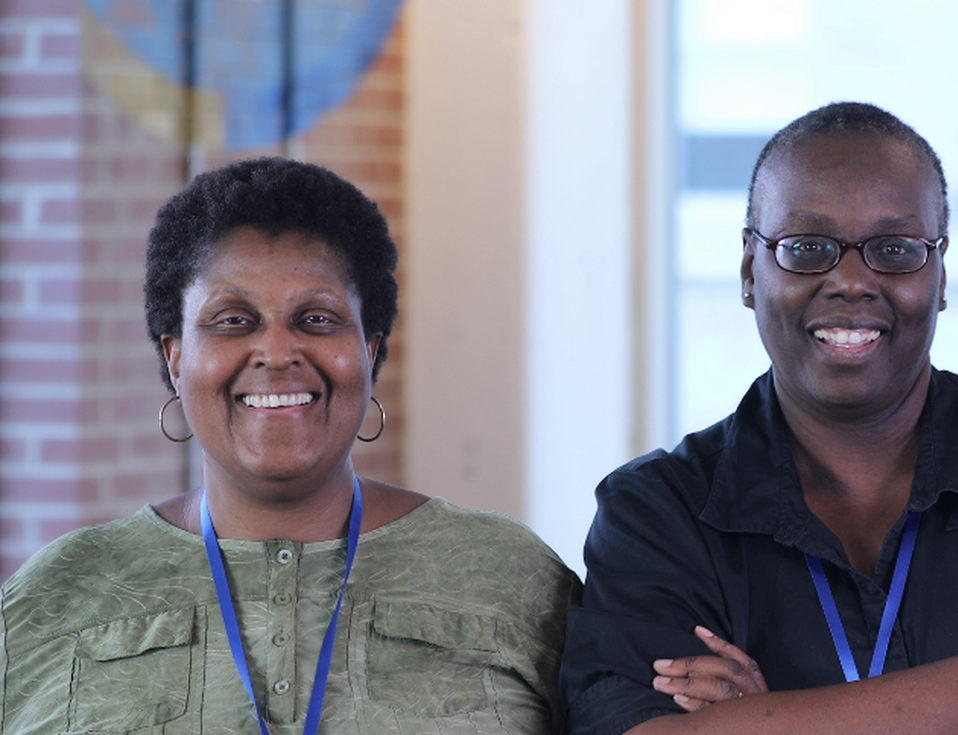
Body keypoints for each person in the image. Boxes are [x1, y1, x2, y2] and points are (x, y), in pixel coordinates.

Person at [559, 102, 958, 734]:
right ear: (751, 269)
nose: (852, 282)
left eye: (895, 248)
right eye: (806, 247)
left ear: (940, 273)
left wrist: (770, 722)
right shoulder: (657, 511)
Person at [0, 157, 580, 734]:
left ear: (371, 351)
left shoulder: (512, 579)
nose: (277, 353)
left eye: (318, 319)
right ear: (175, 357)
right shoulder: (58, 594)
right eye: (232, 320)